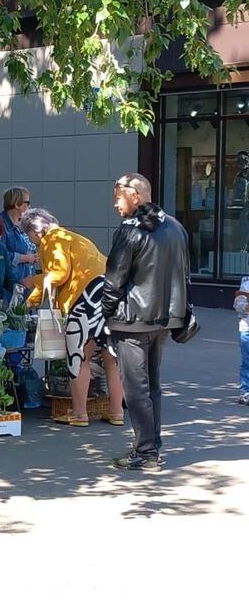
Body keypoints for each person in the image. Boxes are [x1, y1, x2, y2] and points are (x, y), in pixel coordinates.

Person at [102, 173, 190, 471]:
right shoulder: (175, 227)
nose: (115, 203)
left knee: (136, 388)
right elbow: (183, 273)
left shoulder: (131, 231)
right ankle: (151, 446)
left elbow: (114, 280)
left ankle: (145, 452)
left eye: (118, 196)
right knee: (151, 385)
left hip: (131, 321)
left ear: (135, 195)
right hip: (162, 319)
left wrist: (105, 315)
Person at [21, 208, 125, 427]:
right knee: (111, 359)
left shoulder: (51, 240)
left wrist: (32, 281)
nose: (31, 241)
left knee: (79, 356)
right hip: (111, 293)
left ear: (35, 230)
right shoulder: (74, 237)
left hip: (86, 299)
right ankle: (116, 412)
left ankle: (79, 413)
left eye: (28, 235)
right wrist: (31, 300)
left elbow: (58, 274)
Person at [0, 187, 38, 302]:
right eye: (27, 202)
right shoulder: (1, 224)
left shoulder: (24, 224)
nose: (29, 206)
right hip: (9, 283)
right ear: (16, 204)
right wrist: (26, 258)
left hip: (26, 278)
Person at [233, 273, 249, 406]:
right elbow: (238, 306)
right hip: (247, 328)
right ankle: (245, 392)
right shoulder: (246, 283)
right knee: (247, 361)